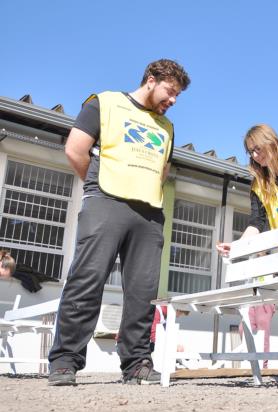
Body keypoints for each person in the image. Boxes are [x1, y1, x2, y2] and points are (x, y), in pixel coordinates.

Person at [48, 59, 190, 386]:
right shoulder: (105, 103)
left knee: (143, 291)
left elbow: (163, 170)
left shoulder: (165, 127)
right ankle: (65, 360)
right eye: (170, 91)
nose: (173, 100)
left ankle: (137, 363)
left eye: (178, 95)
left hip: (149, 213)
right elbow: (76, 149)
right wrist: (98, 185)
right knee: (87, 278)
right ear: (151, 80)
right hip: (106, 201)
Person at [216, 123, 278, 384]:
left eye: (258, 149)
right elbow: (258, 222)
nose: (255, 156)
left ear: (272, 141)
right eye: (250, 152)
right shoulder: (260, 184)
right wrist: (238, 246)